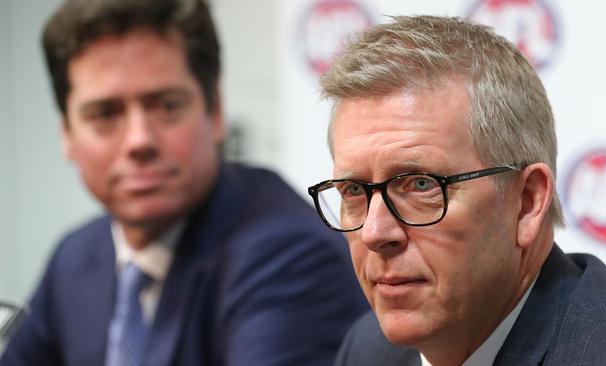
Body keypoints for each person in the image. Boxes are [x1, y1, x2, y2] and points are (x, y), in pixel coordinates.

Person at [0, 0, 368, 365]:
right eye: (106, 113)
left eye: (166, 105)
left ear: (216, 111)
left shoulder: (289, 255)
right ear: (66, 134)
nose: (138, 140)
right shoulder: (77, 257)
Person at [307, 15, 606, 366]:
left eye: (421, 185)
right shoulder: (369, 348)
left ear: (527, 203)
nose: (374, 232)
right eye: (353, 190)